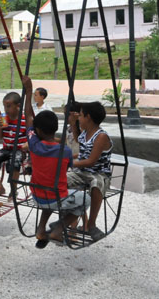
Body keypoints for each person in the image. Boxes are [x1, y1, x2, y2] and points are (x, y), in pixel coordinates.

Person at [21, 76, 90, 248]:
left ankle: (41, 228)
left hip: (37, 196)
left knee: (49, 193)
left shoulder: (33, 143)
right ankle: (59, 228)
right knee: (86, 199)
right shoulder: (65, 151)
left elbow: (28, 116)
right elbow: (67, 168)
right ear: (55, 129)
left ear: (36, 130)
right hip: (56, 197)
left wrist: (28, 90)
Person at [67, 101, 113, 242]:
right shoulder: (86, 133)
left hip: (98, 172)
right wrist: (74, 123)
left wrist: (68, 162)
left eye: (80, 115)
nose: (79, 118)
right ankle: (70, 215)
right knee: (62, 178)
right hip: (82, 172)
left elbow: (91, 161)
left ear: (89, 117)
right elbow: (77, 139)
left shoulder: (101, 136)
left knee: (96, 183)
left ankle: (91, 223)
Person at [0, 92, 27, 197]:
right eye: (4, 106)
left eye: (8, 106)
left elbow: (30, 136)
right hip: (6, 148)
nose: (6, 109)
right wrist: (1, 128)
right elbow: (0, 137)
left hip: (19, 149)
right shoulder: (4, 118)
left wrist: (26, 146)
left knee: (14, 162)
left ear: (18, 106)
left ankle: (13, 189)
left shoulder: (24, 119)